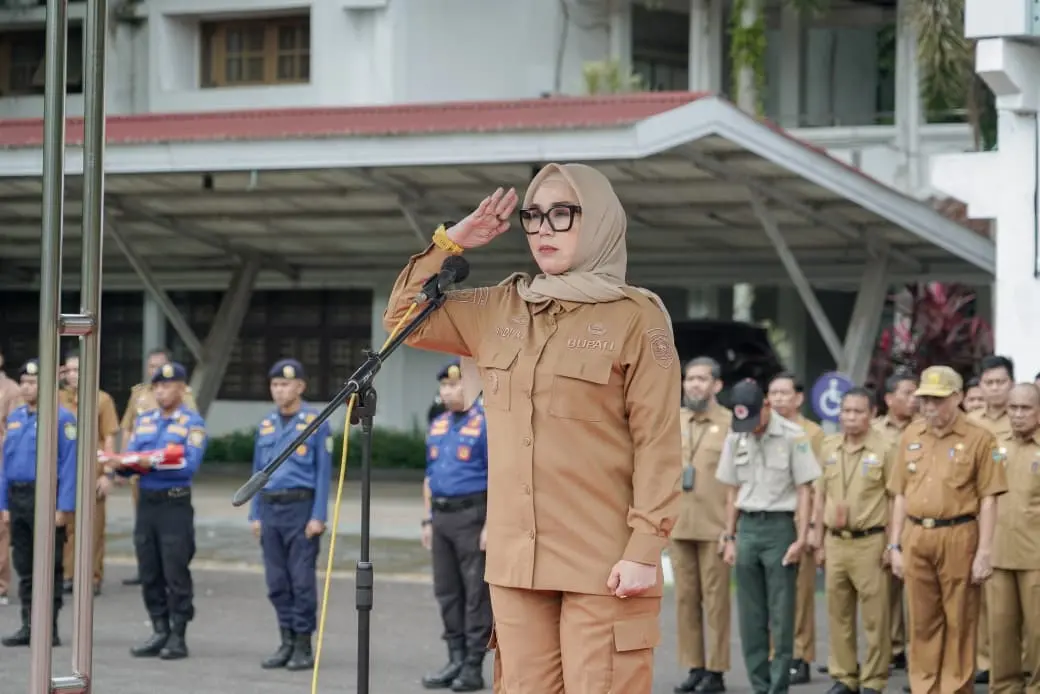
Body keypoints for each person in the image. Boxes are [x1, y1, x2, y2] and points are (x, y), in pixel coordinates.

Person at [383, 167, 682, 693]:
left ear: (601, 222)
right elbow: (404, 319)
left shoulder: (637, 317)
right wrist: (451, 243)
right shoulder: (498, 307)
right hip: (516, 558)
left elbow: (658, 442)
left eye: (562, 214)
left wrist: (643, 550)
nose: (544, 229)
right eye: (534, 216)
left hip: (604, 558)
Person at [887, 365, 1007, 694]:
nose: (929, 407)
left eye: (937, 400)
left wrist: (984, 552)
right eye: (925, 399)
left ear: (957, 398)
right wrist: (894, 546)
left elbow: (988, 499)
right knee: (922, 621)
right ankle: (924, 687)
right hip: (916, 534)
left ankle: (954, 688)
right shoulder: (911, 434)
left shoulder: (980, 438)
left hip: (959, 534)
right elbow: (899, 494)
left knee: (959, 621)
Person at [716, 379, 820, 694]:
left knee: (782, 613)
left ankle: (778, 686)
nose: (751, 427)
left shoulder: (793, 436)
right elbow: (731, 491)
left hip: (779, 529)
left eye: (755, 419)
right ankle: (759, 685)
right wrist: (729, 537)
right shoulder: (736, 437)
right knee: (751, 616)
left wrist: (801, 538)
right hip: (747, 528)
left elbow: (805, 490)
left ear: (767, 406)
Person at [114, 362, 207, 661]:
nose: (162, 391)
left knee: (175, 569)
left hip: (174, 504)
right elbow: (131, 459)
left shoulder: (192, 423)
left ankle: (178, 635)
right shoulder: (146, 421)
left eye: (168, 386)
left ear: (182, 389)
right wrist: (120, 464)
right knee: (149, 568)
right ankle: (159, 629)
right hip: (148, 503)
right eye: (157, 387)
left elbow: (189, 464)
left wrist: (149, 461)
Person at [249, 359, 331, 672]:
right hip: (270, 509)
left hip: (301, 509)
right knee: (276, 581)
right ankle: (284, 640)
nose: (279, 390)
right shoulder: (266, 424)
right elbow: (257, 472)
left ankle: (302, 643)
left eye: (285, 384)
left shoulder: (316, 421)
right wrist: (254, 513)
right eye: (274, 384)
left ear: (300, 386)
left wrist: (318, 515)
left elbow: (324, 473)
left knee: (301, 581)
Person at [810, 387, 893, 694]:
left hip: (870, 541)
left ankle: (873, 680)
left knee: (875, 617)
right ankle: (844, 676)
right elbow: (820, 497)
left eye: (858, 411)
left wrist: (892, 544)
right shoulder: (829, 447)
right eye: (846, 411)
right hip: (835, 541)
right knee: (838, 613)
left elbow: (895, 499)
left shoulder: (885, 449)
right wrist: (817, 542)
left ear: (872, 414)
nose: (850, 417)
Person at [420, 360, 492, 692]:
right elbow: (429, 477)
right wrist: (427, 520)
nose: (449, 390)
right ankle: (455, 657)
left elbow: (499, 479)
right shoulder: (438, 424)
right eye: (445, 386)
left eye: (457, 384)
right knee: (447, 591)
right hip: (442, 517)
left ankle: (473, 665)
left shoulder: (486, 423)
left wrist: (491, 525)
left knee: (475, 593)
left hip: (472, 516)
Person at [0, 359, 78, 647]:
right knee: (25, 565)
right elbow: (6, 464)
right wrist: (4, 503)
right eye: (24, 382)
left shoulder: (62, 419)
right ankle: (28, 624)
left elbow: (70, 466)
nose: (27, 387)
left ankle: (49, 628)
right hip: (18, 498)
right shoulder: (18, 417)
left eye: (33, 383)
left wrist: (64, 507)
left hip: (47, 497)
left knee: (49, 564)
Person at [671, 356, 733, 694]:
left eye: (702, 379)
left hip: (716, 527)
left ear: (717, 385)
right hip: (680, 526)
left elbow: (736, 481)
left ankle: (717, 670)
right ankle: (695, 666)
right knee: (685, 600)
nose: (694, 384)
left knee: (716, 601)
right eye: (690, 379)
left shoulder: (729, 424)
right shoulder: (675, 420)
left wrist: (731, 527)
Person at [119, 348, 197, 587]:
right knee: (143, 528)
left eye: (159, 366)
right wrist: (124, 459)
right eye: (151, 367)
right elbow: (128, 427)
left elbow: (190, 429)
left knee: (172, 537)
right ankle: (146, 568)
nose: (155, 372)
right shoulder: (140, 393)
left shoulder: (184, 395)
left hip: (170, 475)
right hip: (141, 474)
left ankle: (169, 567)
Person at [766, 372, 824, 684]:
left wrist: (814, 526)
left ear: (798, 398)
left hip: (800, 521)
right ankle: (778, 654)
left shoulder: (811, 433)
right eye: (773, 393)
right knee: (775, 595)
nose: (777, 399)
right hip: (771, 522)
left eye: (784, 393)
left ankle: (801, 656)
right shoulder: (763, 430)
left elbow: (816, 485)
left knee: (801, 595)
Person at [987, 382, 1040, 694]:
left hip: (1036, 556)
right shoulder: (995, 445)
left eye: (1025, 408)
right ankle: (1005, 687)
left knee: (1037, 632)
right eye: (1013, 408)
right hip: (998, 553)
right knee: (1001, 629)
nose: (1018, 415)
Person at [967, 354, 1014, 685]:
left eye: (1001, 382)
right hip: (978, 521)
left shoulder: (1024, 419)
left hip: (1017, 522)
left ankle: (1015, 663)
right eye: (989, 382)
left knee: (1015, 604)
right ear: (980, 386)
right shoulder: (972, 424)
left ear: (1011, 384)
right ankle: (983, 660)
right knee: (981, 599)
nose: (995, 388)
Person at [58, 352, 120, 596]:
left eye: (78, 370)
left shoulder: (102, 400)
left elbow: (109, 439)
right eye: (69, 370)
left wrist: (108, 474)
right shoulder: (58, 399)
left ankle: (92, 576)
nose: (73, 375)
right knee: (66, 527)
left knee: (93, 527)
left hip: (91, 474)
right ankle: (67, 575)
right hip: (64, 475)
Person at [871, 372, 918, 671]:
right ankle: (890, 649)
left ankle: (917, 655)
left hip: (918, 519)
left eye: (916, 393)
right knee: (884, 593)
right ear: (889, 399)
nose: (914, 399)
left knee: (915, 595)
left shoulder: (926, 429)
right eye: (907, 393)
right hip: (882, 519)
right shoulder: (874, 431)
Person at [0, 347, 23, 606]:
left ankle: (1, 585)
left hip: (1, 464)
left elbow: (14, 431)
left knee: (1, 529)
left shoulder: (11, 390)